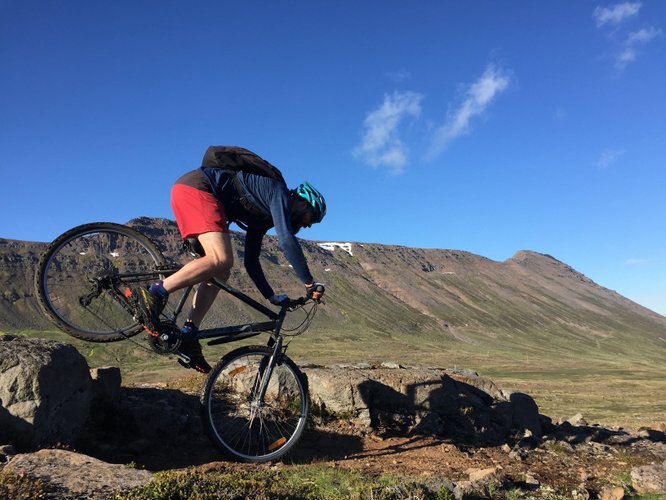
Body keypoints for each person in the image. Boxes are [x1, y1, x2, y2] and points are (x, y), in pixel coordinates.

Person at [134, 148, 326, 373]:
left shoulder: (263, 217)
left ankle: (188, 334)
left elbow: (252, 261)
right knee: (221, 258)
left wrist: (271, 296)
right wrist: (309, 282)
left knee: (221, 272)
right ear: (303, 203)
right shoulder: (278, 192)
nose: (309, 224)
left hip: (193, 193)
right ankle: (154, 293)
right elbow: (286, 239)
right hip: (198, 189)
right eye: (312, 217)